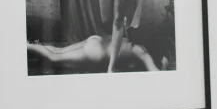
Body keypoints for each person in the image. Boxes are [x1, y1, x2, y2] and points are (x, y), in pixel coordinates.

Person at [27, 28, 161, 73]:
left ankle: (30, 46)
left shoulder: (132, 41)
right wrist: (164, 65)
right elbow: (155, 74)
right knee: (54, 58)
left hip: (96, 40)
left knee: (58, 50)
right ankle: (25, 46)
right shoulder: (143, 53)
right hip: (96, 52)